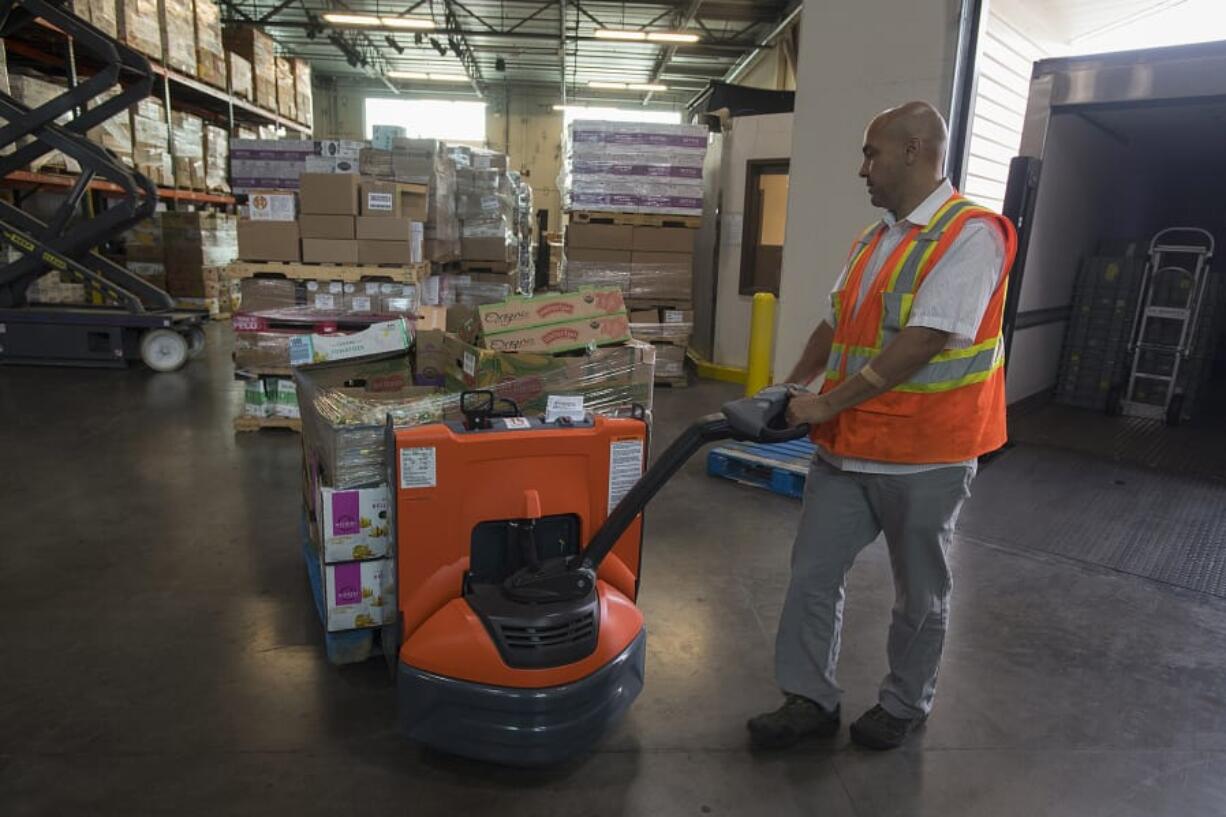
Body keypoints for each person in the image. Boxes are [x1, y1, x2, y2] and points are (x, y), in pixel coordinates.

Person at [747, 101, 1017, 751]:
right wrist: (792, 383)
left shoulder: (972, 234)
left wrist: (825, 404)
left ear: (915, 150)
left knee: (920, 593)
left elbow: (924, 340)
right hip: (848, 450)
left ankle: (904, 701)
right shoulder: (876, 238)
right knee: (813, 575)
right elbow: (835, 322)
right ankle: (809, 696)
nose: (862, 168)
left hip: (927, 455)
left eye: (872, 153)